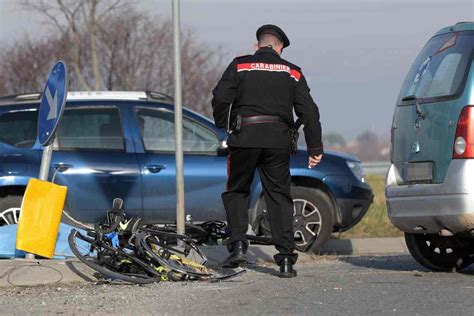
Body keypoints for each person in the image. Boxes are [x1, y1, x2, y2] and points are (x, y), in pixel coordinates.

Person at [211, 24, 323, 278]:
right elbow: (309, 111)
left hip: (244, 138)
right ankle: (285, 260)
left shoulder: (240, 65)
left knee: (237, 190)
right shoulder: (292, 72)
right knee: (279, 197)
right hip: (278, 142)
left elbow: (220, 97)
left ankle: (238, 245)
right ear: (279, 47)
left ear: (258, 45)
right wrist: (315, 146)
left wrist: (226, 125)